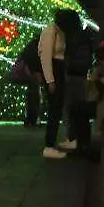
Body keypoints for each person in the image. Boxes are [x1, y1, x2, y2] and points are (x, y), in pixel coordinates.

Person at [61, 11, 94, 154]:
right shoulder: (81, 37)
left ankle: (76, 139)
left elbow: (77, 58)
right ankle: (78, 140)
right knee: (76, 110)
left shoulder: (73, 38)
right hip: (78, 76)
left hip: (73, 76)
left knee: (74, 109)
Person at [38, 9, 68, 159]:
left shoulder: (60, 31)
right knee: (54, 110)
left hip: (59, 70)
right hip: (54, 71)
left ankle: (51, 143)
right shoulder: (51, 31)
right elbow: (45, 57)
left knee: (57, 109)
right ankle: (49, 145)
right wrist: (50, 80)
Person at [18, 32, 44, 127]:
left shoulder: (31, 46)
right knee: (34, 97)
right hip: (33, 74)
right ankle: (32, 119)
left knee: (32, 97)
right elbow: (34, 61)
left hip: (31, 74)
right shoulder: (36, 48)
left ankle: (30, 119)